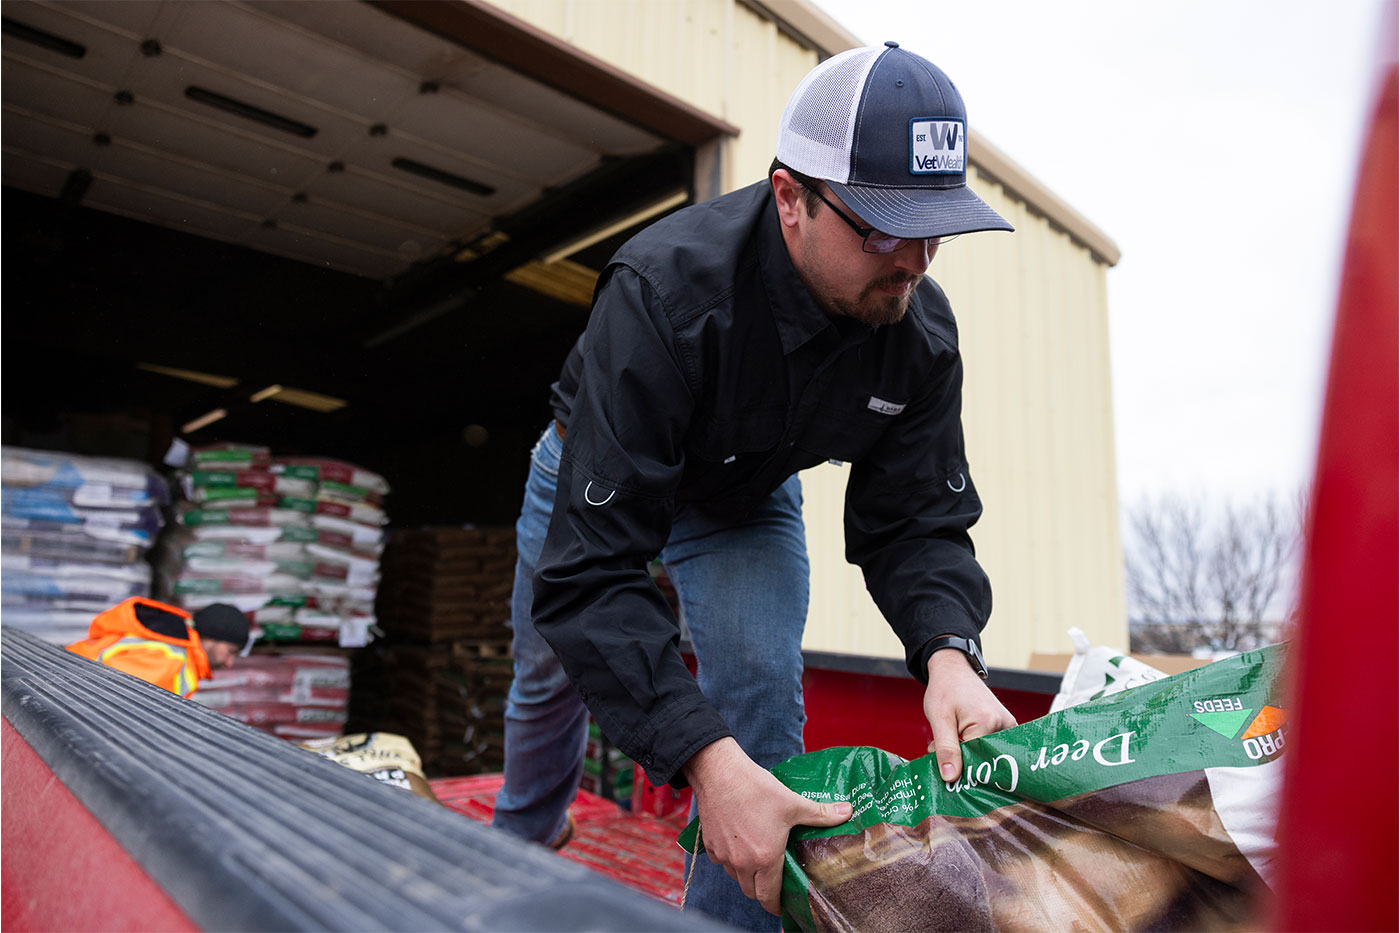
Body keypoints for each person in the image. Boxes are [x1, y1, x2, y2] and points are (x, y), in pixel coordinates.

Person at [491, 42, 1020, 929]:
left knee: (761, 696)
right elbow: (591, 579)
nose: (916, 260)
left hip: (744, 495)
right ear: (790, 198)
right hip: (595, 468)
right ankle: (521, 834)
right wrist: (698, 755)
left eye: (935, 230)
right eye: (885, 227)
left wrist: (948, 651)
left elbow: (918, 520)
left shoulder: (917, 329)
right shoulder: (664, 291)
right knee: (552, 668)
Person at [66, 596, 250, 698]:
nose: (229, 663)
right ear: (211, 637)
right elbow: (113, 704)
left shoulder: (175, 651)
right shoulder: (169, 657)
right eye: (231, 652)